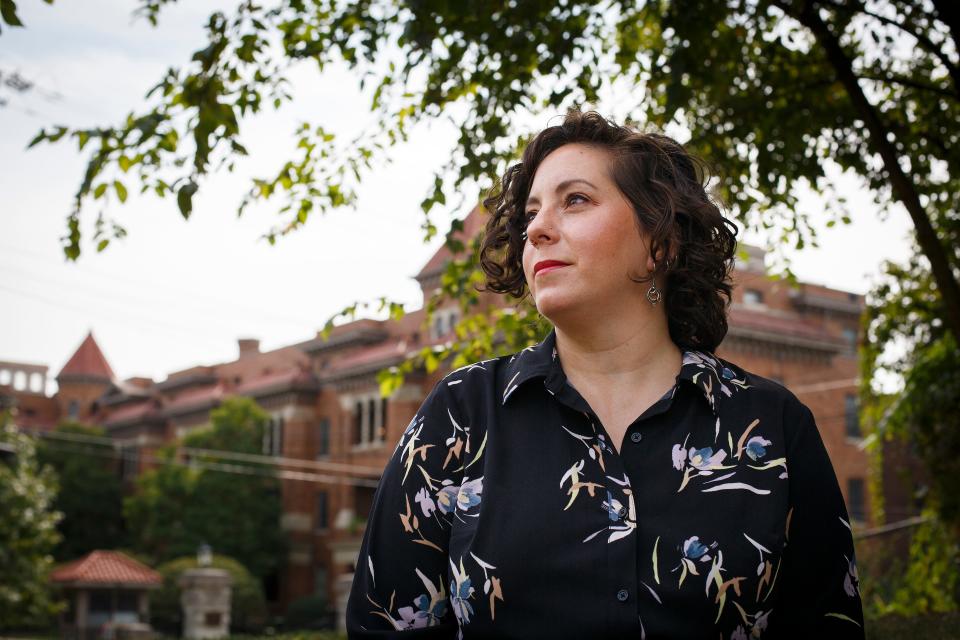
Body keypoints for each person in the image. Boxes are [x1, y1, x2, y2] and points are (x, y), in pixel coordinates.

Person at [345, 110, 865, 638]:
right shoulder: (460, 414)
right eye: (530, 214)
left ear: (660, 240)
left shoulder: (772, 425)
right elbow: (384, 624)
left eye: (575, 200)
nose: (538, 229)